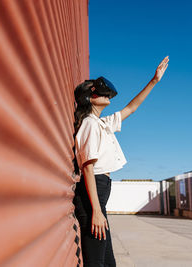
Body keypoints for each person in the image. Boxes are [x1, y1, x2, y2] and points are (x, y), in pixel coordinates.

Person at [72, 56, 169, 266]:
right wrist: (96, 212)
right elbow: (88, 169)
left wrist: (153, 81)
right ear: (90, 98)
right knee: (97, 262)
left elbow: (131, 108)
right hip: (92, 195)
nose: (106, 96)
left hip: (99, 194)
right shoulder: (89, 124)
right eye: (98, 91)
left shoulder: (102, 123)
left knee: (109, 262)